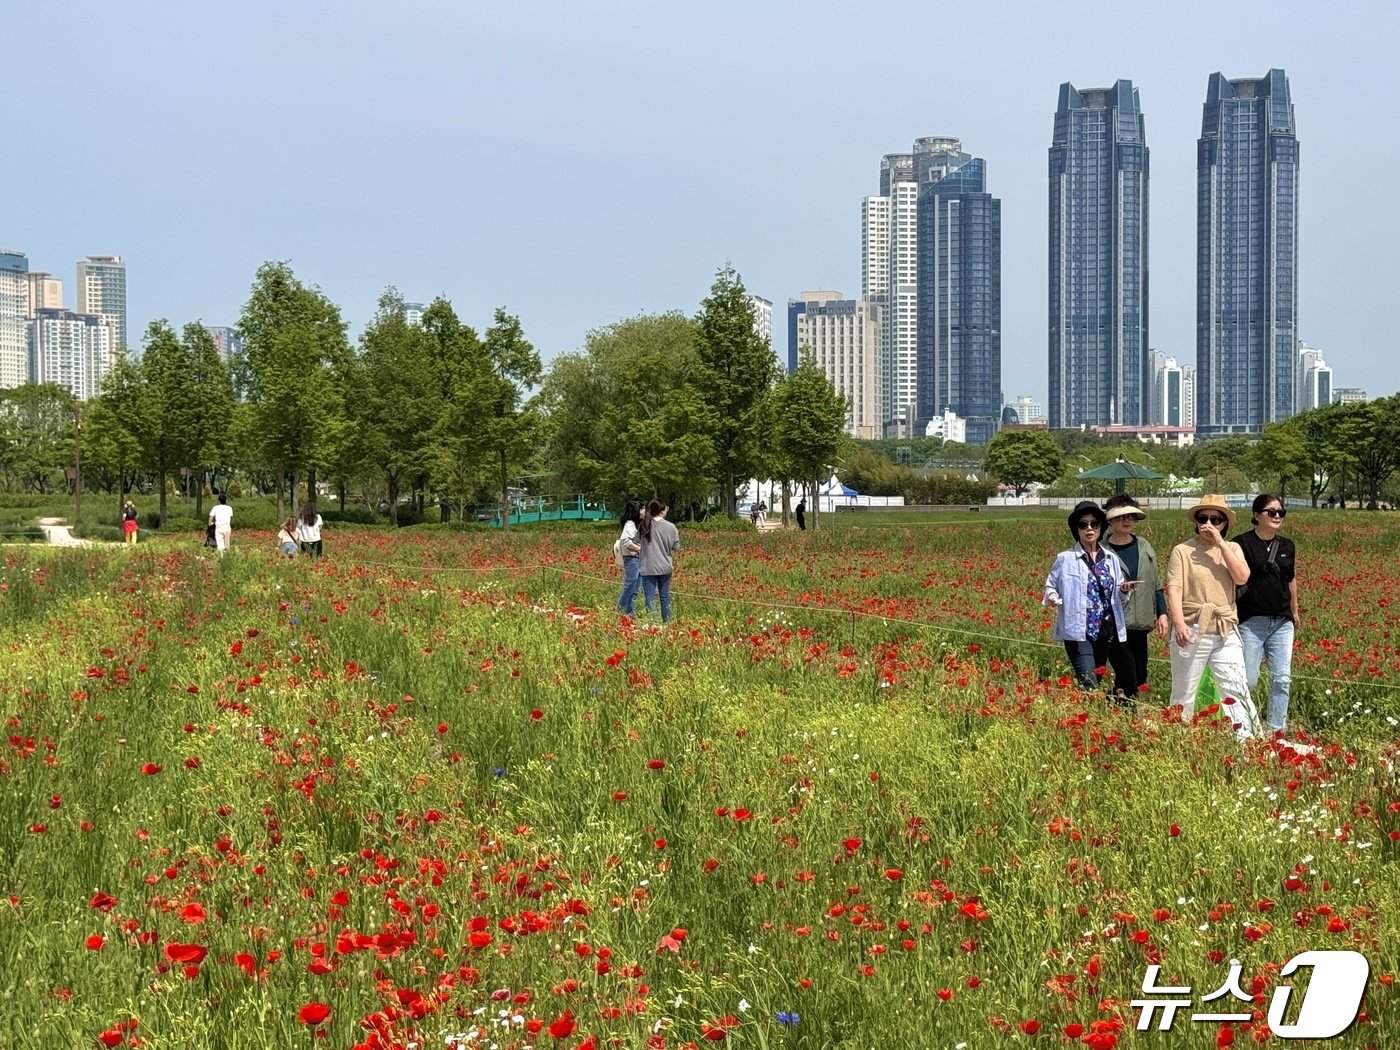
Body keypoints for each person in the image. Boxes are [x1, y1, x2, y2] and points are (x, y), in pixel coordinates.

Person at [1164, 495, 1261, 741]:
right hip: (1193, 625)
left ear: (1224, 523)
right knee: (1185, 690)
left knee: (1235, 687)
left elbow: (1242, 577)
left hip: (1224, 628)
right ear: (1196, 522)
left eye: (1216, 519)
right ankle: (1178, 740)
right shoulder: (1182, 550)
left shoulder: (1234, 549)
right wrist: (1179, 623)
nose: (1208, 523)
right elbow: (1174, 588)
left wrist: (1220, 543)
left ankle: (1248, 741)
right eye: (1203, 518)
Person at [1043, 501, 1134, 698]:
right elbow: (1050, 585)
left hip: (1105, 630)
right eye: (1083, 525)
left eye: (1094, 524)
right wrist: (1052, 596)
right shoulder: (1065, 558)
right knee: (1088, 682)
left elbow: (1118, 595)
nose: (1089, 529)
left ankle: (1087, 714)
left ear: (1101, 527)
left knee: (1097, 678)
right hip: (1078, 630)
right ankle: (1085, 718)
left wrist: (1125, 590)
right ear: (1076, 529)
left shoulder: (1110, 558)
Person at [1234, 494, 1299, 733]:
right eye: (1271, 512)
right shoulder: (1241, 543)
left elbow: (1291, 578)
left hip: (1282, 621)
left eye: (1281, 512)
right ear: (1256, 515)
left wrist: (1295, 610)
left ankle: (1276, 730)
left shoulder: (1287, 545)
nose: (1277, 516)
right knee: (1248, 679)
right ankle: (1243, 725)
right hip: (1252, 620)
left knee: (1281, 679)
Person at [1102, 495, 1168, 697]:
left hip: (1141, 621)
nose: (1127, 520)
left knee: (1140, 673)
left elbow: (1155, 583)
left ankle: (1122, 707)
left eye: (1131, 516)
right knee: (1127, 672)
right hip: (1114, 622)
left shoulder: (1144, 546)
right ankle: (1125, 711)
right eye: (1121, 517)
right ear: (1110, 520)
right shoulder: (1102, 551)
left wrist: (1162, 613)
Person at [638, 499, 681, 623]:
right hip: (665, 566)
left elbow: (637, 541)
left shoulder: (644, 525)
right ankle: (666, 622)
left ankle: (652, 623)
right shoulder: (671, 527)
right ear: (662, 511)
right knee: (665, 596)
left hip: (648, 566)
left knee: (650, 597)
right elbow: (676, 548)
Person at [615, 501, 644, 616]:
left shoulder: (636, 524)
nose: (644, 511)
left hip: (637, 558)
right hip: (632, 558)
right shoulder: (630, 524)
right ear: (637, 511)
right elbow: (625, 541)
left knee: (636, 586)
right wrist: (638, 549)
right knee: (631, 583)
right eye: (642, 509)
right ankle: (621, 609)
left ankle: (630, 612)